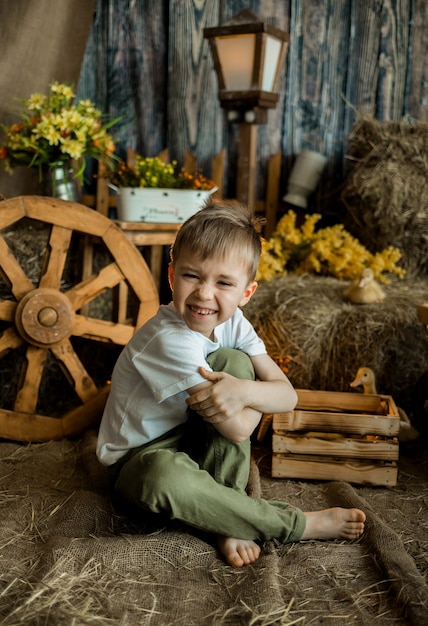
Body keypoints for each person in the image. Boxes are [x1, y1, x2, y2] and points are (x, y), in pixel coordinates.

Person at [96, 199, 366, 568]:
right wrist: (255, 396)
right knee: (162, 477)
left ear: (246, 293)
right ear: (172, 276)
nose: (205, 294)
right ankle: (295, 523)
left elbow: (288, 395)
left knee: (234, 362)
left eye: (224, 283)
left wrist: (243, 389)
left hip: (193, 434)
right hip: (138, 460)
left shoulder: (234, 321)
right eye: (192, 276)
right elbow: (238, 429)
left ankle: (224, 516)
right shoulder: (167, 338)